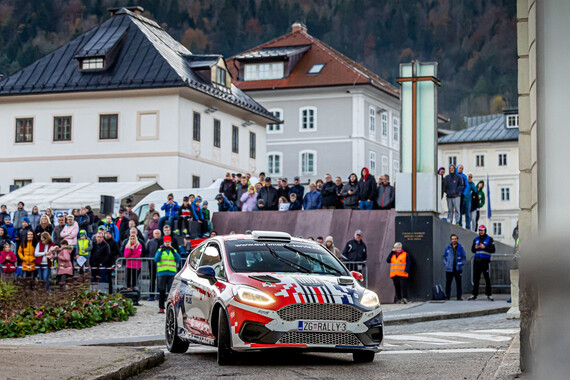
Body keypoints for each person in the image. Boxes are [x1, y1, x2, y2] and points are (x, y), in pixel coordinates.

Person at [468, 225, 496, 301]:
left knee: (487, 278)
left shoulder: (489, 239)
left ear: (485, 231)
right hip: (477, 261)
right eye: (480, 230)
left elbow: (493, 250)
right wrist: (475, 248)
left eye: (482, 230)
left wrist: (485, 247)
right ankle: (474, 294)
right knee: (476, 278)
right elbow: (472, 250)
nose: (481, 232)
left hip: (485, 261)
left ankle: (489, 294)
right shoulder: (476, 239)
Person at [154, 235, 181, 313]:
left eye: (168, 242)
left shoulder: (173, 250)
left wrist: (174, 252)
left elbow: (178, 259)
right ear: (164, 242)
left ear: (170, 242)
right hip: (162, 273)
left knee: (171, 291)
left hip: (171, 273)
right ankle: (161, 308)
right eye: (166, 242)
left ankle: (171, 307)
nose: (167, 243)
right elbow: (156, 259)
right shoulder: (160, 250)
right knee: (162, 291)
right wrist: (160, 251)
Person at [443, 234, 467, 301]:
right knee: (448, 283)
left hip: (458, 269)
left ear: (457, 239)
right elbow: (444, 256)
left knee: (458, 284)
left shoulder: (460, 247)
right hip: (449, 269)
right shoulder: (447, 247)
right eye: (453, 239)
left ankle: (459, 297)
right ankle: (447, 296)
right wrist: (445, 263)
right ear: (451, 240)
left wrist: (462, 263)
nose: (454, 240)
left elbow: (464, 257)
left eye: (455, 239)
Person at [146, 229, 162, 300]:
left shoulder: (162, 242)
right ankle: (151, 295)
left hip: (161, 264)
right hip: (151, 264)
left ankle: (159, 295)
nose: (157, 234)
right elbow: (147, 251)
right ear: (153, 234)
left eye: (158, 233)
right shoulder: (150, 242)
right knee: (152, 279)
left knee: (160, 280)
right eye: (155, 233)